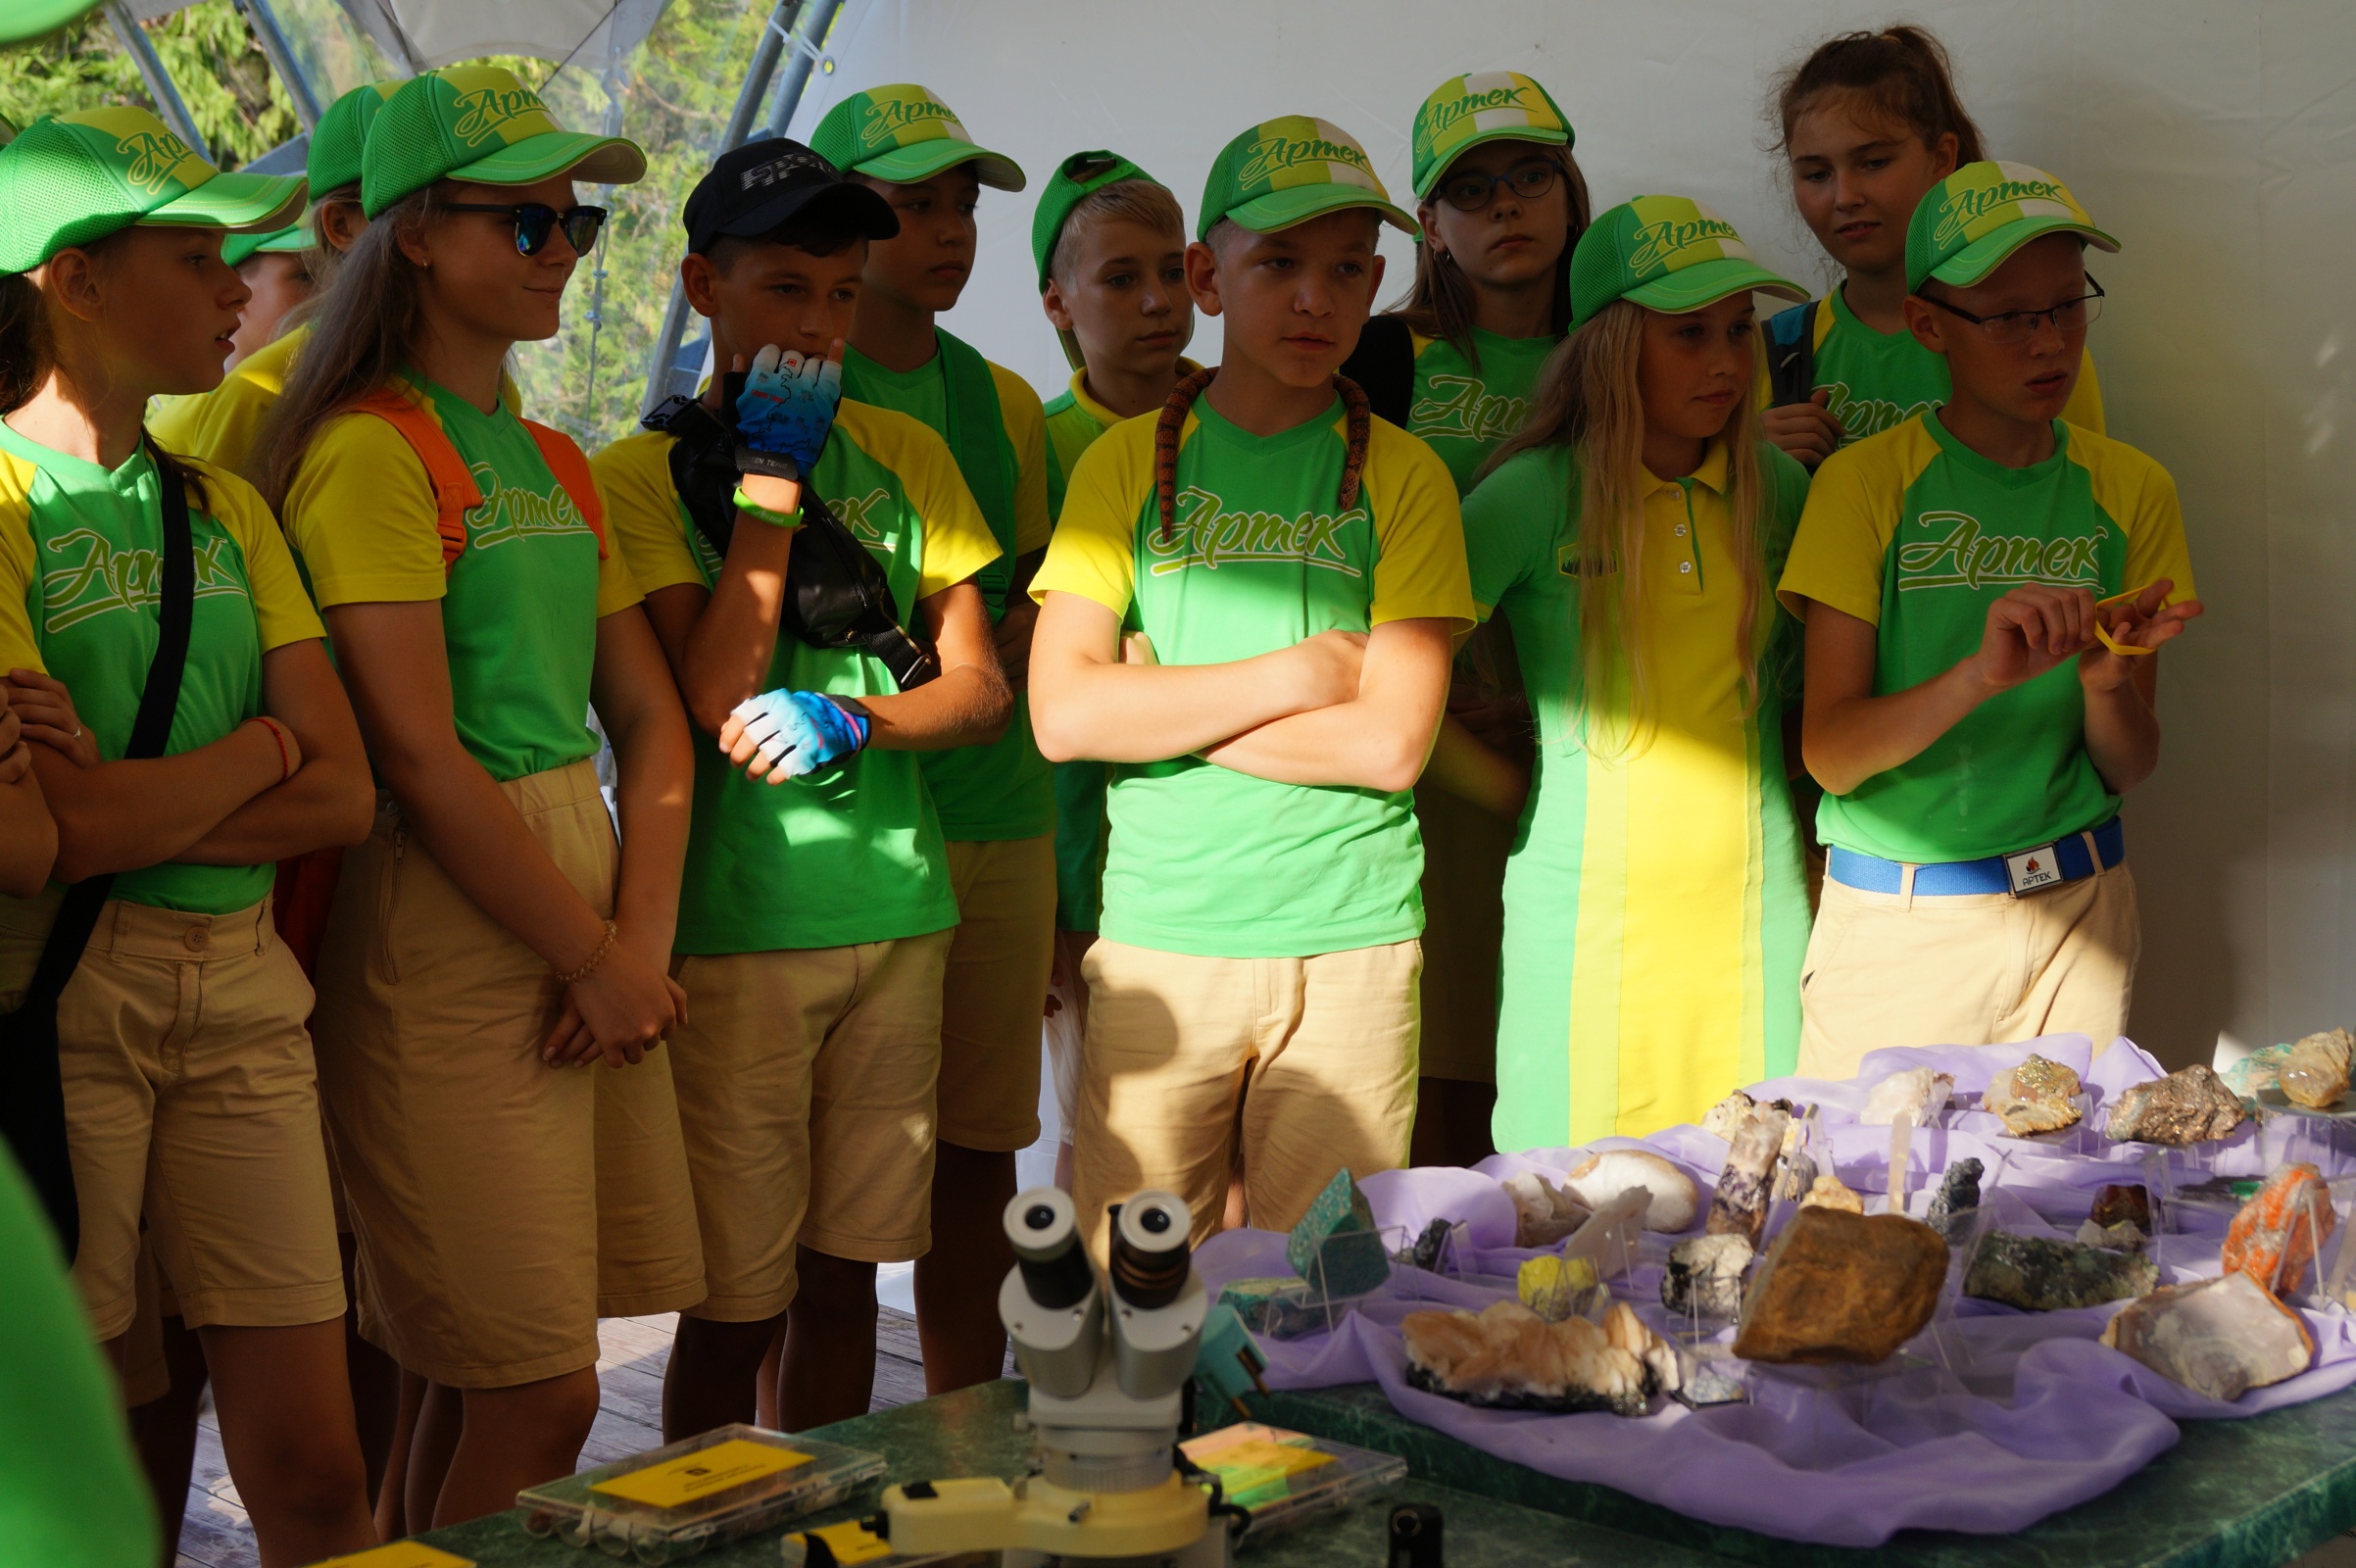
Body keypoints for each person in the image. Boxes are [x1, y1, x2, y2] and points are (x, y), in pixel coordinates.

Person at [258, 66, 703, 1527]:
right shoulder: (364, 451)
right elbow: (419, 757)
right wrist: (593, 952)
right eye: (526, 222)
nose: (563, 249)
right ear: (413, 235)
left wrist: (635, 947)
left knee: (490, 1370)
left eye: (578, 223)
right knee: (538, 1385)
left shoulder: (554, 455)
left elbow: (653, 722)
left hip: (577, 887)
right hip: (446, 910)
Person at [0, 107, 381, 1564]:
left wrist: (165, 789)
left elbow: (344, 793)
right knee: (86, 1470)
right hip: (62, 1005)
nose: (240, 288)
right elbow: (49, 836)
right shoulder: (4, 502)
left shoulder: (222, 503)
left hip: (242, 994)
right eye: (197, 257)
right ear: (73, 281)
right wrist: (267, 746)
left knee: (318, 1475)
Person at [594, 138, 1006, 1434]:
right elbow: (710, 690)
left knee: (846, 1280)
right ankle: (706, 1517)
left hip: (900, 918)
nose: (819, 325)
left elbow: (982, 693)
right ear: (702, 287)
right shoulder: (631, 479)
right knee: (733, 1300)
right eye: (785, 289)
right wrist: (770, 487)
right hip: (737, 932)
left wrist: (858, 716)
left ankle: (830, 1514)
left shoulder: (906, 454)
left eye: (839, 292)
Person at [1029, 115, 1472, 1254]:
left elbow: (1390, 747)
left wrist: (1164, 709)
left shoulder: (1409, 477)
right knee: (1132, 1298)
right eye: (1277, 262)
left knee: (1320, 1302)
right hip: (1162, 940)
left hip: (1354, 947)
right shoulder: (1119, 467)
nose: (1315, 298)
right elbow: (1064, 715)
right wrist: (1304, 672)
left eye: (1347, 269)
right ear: (1206, 277)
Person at [1779, 163, 2199, 1078]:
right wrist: (1979, 676)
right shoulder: (1861, 486)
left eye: (2067, 306)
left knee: (2067, 1173)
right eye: (2008, 317)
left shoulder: (2134, 489)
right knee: (1871, 1173)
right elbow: (1831, 755)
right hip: (1903, 925)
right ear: (1929, 325)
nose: (2048, 342)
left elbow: (2131, 765)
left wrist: (2107, 685)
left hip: (2081, 911)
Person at [1434, 196, 1814, 1148]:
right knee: (1567, 1209)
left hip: (1757, 918)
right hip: (1586, 927)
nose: (1726, 361)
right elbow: (1396, 683)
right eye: (1689, 333)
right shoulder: (1530, 493)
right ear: (1609, 346)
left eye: (1739, 330)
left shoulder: (1779, 491)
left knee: (1755, 1198)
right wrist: (1512, 790)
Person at [810, 83, 1053, 1391]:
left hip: (1000, 818)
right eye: (914, 204)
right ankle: (809, 1464)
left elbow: (1028, 604)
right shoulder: (792, 393)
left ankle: (965, 1435)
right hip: (849, 834)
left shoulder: (1003, 402)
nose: (950, 230)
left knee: (979, 1153)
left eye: (962, 203)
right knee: (832, 1192)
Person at [1347, 71, 1591, 1166]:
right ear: (1430, 225)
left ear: (1570, 195)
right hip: (1432, 753)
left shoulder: (1624, 350)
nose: (1505, 205)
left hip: (1588, 745)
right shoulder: (1382, 359)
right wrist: (1435, 707)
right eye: (1471, 188)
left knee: (1560, 1059)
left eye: (1530, 176)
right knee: (1438, 1070)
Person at [1029, 149, 1198, 1179]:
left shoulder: (1256, 427)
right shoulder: (1036, 445)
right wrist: (1049, 897)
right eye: (1120, 278)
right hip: (1082, 862)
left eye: (1172, 271)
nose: (1157, 301)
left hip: (1229, 851)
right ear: (1058, 302)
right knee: (1107, 1138)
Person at [1760, 25, 2102, 470]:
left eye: (1874, 162)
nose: (1844, 196)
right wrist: (1749, 464)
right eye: (1816, 174)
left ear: (1941, 158)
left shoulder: (2037, 343)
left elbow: (2087, 494)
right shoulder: (1775, 350)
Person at [149, 81, 394, 476]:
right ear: (235, 289)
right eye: (305, 275)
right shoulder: (182, 432)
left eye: (336, 268)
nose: (330, 289)